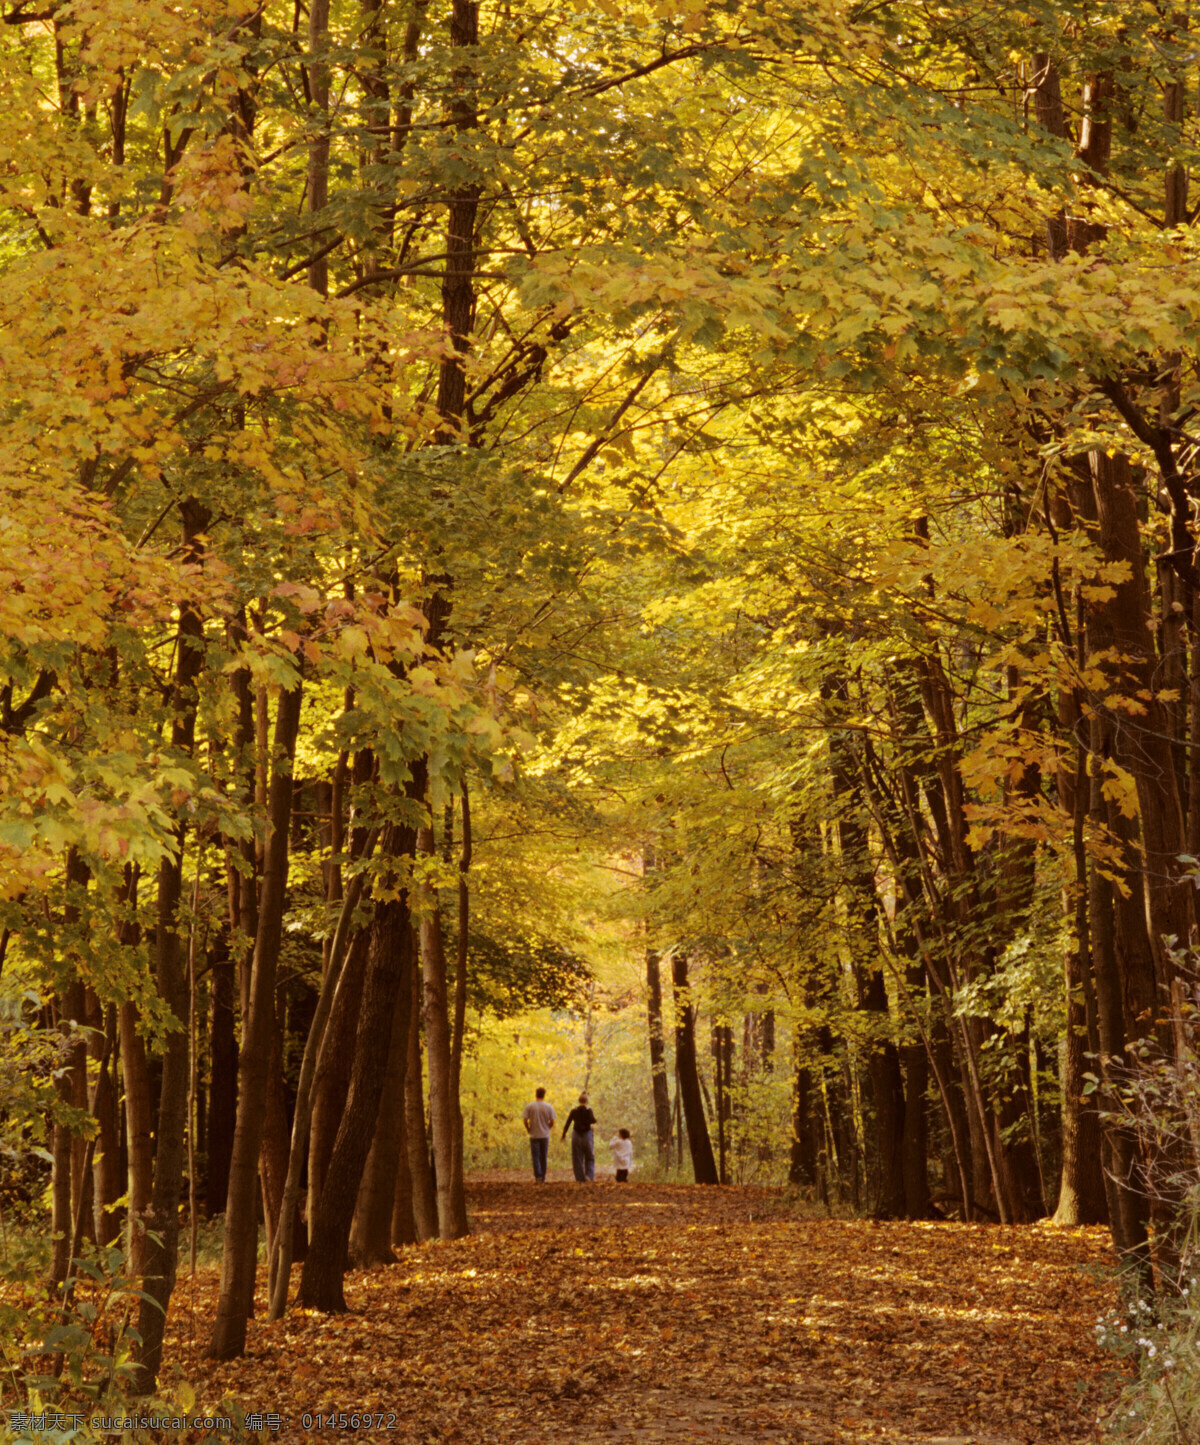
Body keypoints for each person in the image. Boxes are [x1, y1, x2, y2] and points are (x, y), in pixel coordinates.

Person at [522, 1087, 555, 1183]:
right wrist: (548, 1128)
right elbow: (552, 1121)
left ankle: (538, 1177)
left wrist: (528, 1129)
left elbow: (525, 1120)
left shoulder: (530, 1106)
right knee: (543, 1156)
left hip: (534, 1135)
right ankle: (543, 1177)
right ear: (544, 1095)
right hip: (545, 1135)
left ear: (536, 1094)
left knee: (535, 1157)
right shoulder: (549, 1107)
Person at [561, 1092, 596, 1182]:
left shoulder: (574, 1111)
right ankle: (589, 1175)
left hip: (576, 1134)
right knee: (589, 1156)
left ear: (578, 1101)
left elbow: (568, 1122)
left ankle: (580, 1178)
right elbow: (593, 1120)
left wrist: (564, 1134)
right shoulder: (589, 1110)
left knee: (577, 1157)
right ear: (587, 1101)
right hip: (587, 1134)